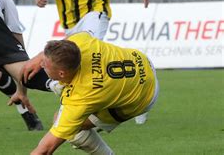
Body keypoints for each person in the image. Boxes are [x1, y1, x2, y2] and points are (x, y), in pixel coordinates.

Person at [26, 32, 159, 154]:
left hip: (145, 97)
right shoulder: (81, 42)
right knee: (68, 117)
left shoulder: (80, 98)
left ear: (61, 73)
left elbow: (44, 150)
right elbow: (72, 38)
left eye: (45, 65)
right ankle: (58, 86)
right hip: (141, 61)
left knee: (67, 126)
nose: (41, 65)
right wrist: (40, 56)